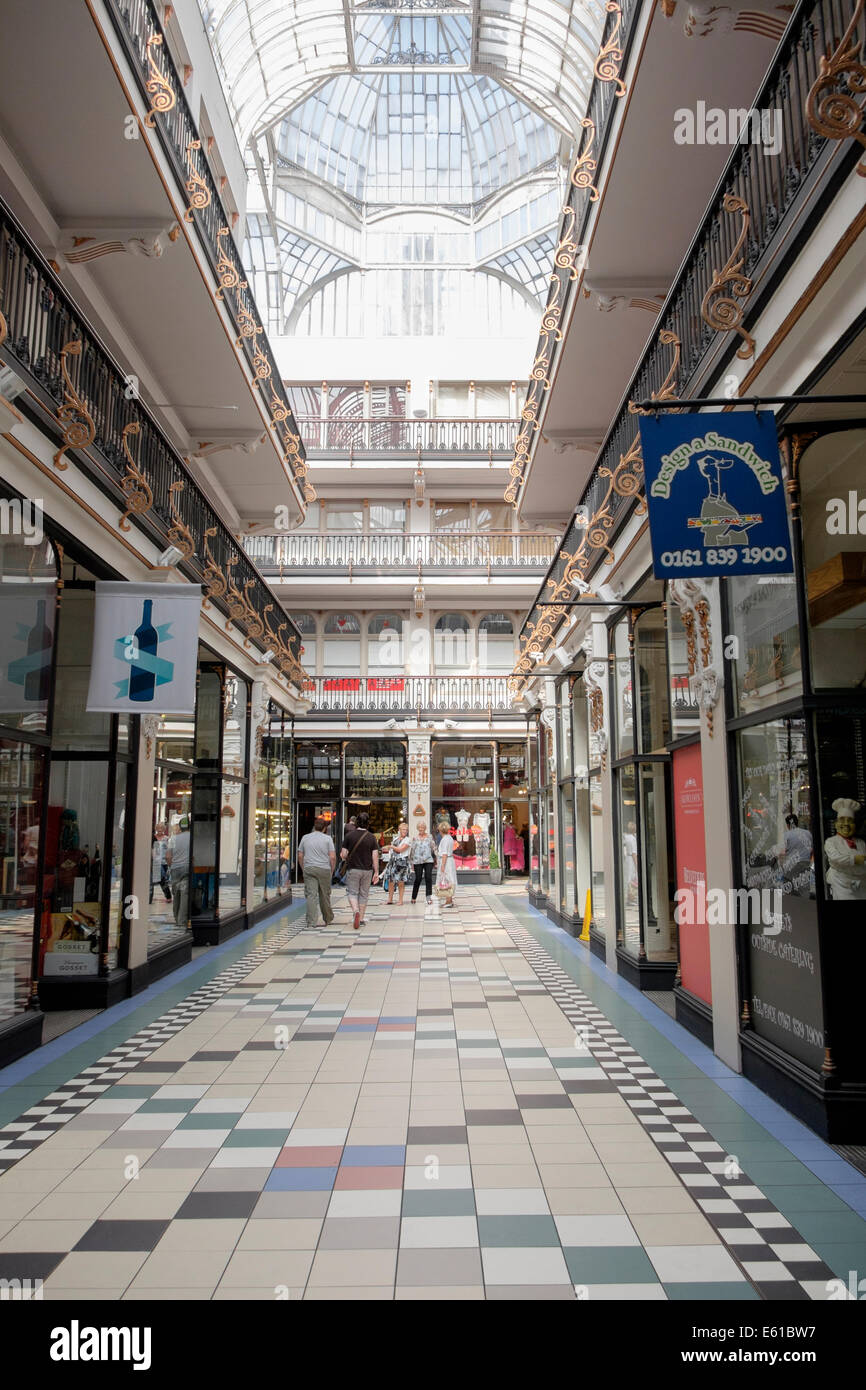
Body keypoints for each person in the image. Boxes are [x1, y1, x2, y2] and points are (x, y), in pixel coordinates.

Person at [340, 810, 379, 930]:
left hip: (353, 869)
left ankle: (355, 911)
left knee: (352, 892)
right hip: (367, 870)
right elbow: (375, 856)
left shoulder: (349, 836)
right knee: (364, 893)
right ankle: (361, 919)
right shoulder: (372, 837)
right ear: (368, 823)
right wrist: (376, 872)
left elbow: (344, 854)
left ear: (357, 822)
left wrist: (345, 856)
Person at [297, 817, 336, 928]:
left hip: (309, 868)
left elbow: (300, 855)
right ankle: (328, 918)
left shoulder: (305, 838)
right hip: (324, 869)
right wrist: (332, 870)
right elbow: (332, 857)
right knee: (325, 895)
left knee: (311, 895)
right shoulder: (328, 839)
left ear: (314, 827)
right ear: (324, 828)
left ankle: (311, 921)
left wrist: (303, 867)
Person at [824, 798, 866, 900]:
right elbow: (836, 859)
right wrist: (855, 860)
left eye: (850, 821)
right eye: (842, 820)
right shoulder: (831, 842)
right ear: (836, 824)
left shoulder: (861, 843)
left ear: (854, 826)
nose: (846, 824)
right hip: (841, 887)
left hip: (861, 887)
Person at [165, 814, 191, 929]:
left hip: (175, 869)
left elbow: (168, 856)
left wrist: (172, 866)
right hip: (186, 868)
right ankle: (182, 920)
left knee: (176, 895)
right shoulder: (192, 837)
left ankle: (176, 918)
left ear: (180, 827)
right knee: (185, 894)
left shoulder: (173, 838)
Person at [409, 822, 437, 905]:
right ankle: (414, 897)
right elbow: (412, 851)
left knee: (428, 878)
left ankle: (428, 898)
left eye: (423, 827)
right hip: (417, 861)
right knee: (418, 878)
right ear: (418, 828)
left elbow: (433, 847)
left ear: (425, 828)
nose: (421, 829)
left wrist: (437, 857)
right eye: (420, 827)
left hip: (428, 860)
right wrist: (412, 863)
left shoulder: (429, 837)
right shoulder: (415, 838)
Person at [387, 822, 411, 906]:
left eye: (406, 830)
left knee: (401, 881)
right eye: (403, 829)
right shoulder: (395, 839)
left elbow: (400, 849)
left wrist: (391, 847)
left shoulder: (407, 840)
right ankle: (390, 899)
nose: (405, 831)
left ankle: (400, 900)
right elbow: (392, 850)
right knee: (391, 880)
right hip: (393, 861)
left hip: (402, 862)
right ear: (399, 830)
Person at [436, 820, 458, 907]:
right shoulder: (450, 838)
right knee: (450, 879)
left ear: (440, 830)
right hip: (450, 860)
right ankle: (450, 900)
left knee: (446, 880)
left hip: (446, 861)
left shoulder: (444, 839)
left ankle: (448, 901)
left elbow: (444, 853)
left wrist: (442, 866)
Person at [150, 824, 171, 905]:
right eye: (158, 828)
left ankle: (168, 896)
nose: (159, 829)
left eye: (161, 828)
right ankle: (150, 898)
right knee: (159, 880)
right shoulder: (153, 837)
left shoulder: (167, 839)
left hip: (163, 862)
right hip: (155, 861)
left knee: (162, 880)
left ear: (164, 829)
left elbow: (169, 850)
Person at [623, 820, 638, 905]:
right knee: (631, 879)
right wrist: (636, 865)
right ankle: (631, 898)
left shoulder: (629, 837)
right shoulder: (631, 838)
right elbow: (634, 853)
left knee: (630, 879)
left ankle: (630, 898)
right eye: (633, 825)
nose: (635, 827)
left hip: (629, 859)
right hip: (631, 860)